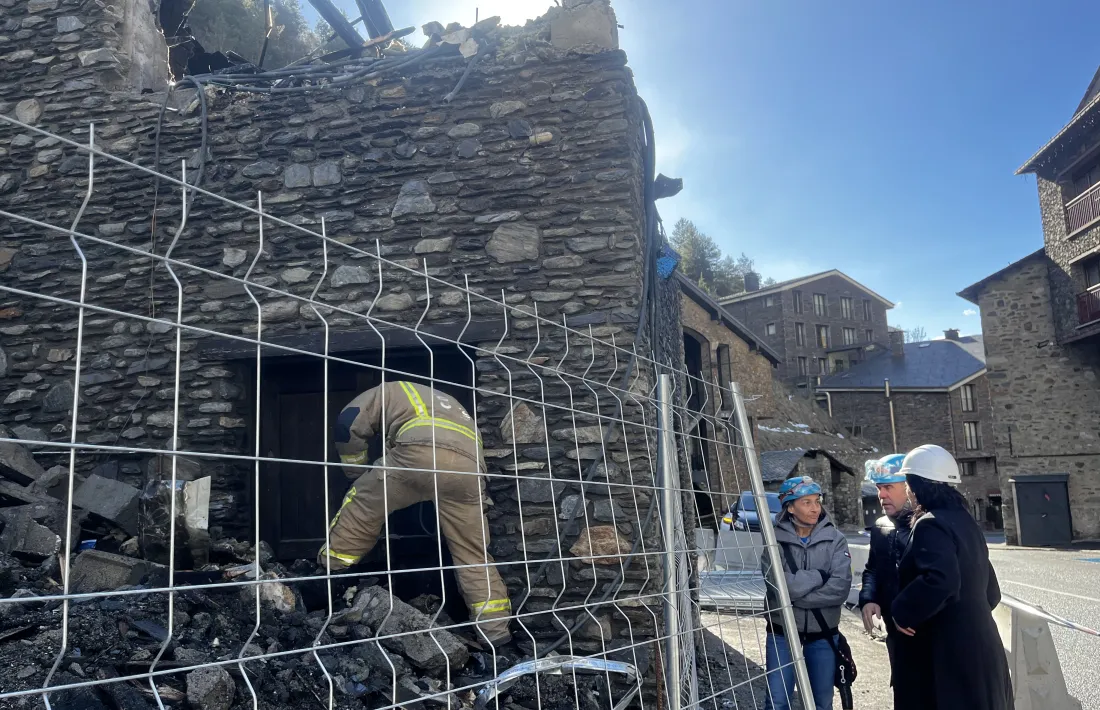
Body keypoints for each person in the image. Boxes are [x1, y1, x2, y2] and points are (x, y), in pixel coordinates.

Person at [317, 380, 512, 647]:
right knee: (473, 553)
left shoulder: (391, 390)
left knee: (362, 505)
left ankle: (330, 572)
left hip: (417, 453)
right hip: (468, 470)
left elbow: (348, 422)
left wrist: (356, 472)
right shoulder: (453, 406)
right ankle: (496, 634)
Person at [890, 444, 1012, 710]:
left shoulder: (930, 524)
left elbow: (941, 580)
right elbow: (991, 592)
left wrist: (902, 612)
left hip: (948, 658)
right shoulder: (966, 522)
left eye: (908, 485)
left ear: (916, 487)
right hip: (983, 649)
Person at [761, 476, 853, 710]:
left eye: (817, 501)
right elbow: (778, 587)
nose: (815, 508)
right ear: (790, 507)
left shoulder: (836, 540)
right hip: (782, 632)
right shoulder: (774, 541)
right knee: (777, 703)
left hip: (823, 633)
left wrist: (795, 598)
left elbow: (840, 589)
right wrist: (819, 576)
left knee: (821, 704)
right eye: (806, 502)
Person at [857, 453, 912, 675]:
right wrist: (868, 598)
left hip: (927, 633)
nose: (881, 495)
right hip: (894, 633)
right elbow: (872, 569)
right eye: (879, 488)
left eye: (888, 487)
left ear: (909, 487)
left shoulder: (930, 526)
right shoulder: (880, 526)